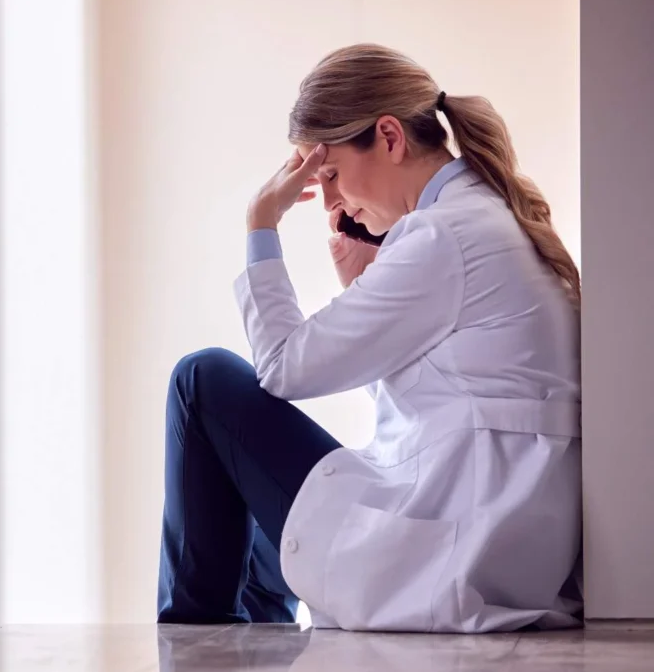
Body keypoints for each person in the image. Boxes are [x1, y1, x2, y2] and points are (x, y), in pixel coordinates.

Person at [156, 44, 582, 633]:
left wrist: (261, 226)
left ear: (388, 137)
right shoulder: (484, 219)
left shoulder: (441, 237)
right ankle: (250, 639)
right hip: (493, 536)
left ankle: (194, 639)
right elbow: (442, 399)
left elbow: (282, 368)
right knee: (265, 482)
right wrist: (360, 281)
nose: (330, 202)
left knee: (202, 381)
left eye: (328, 174)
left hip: (456, 547)